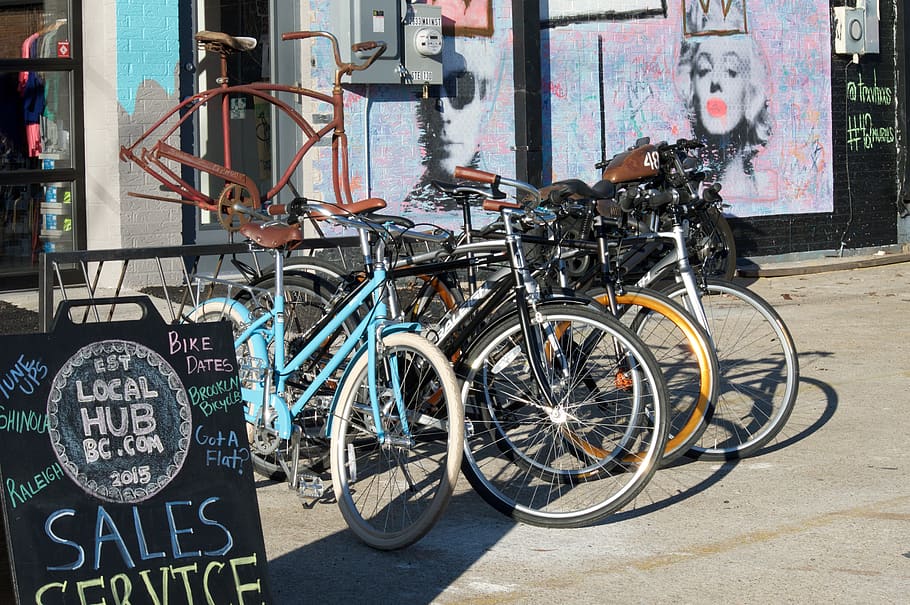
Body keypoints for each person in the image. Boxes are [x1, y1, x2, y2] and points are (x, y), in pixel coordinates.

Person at [675, 33, 776, 200]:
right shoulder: (683, 195)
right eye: (704, 69)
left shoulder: (766, 189)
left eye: (731, 70)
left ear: (751, 95)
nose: (715, 81)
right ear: (692, 91)